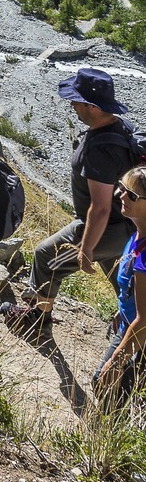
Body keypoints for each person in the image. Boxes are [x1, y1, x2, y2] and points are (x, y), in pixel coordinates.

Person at [5, 67, 135, 342]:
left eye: (76, 101)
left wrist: (86, 249)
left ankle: (37, 322)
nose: (72, 105)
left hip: (107, 228)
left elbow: (100, 207)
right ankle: (132, 332)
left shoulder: (100, 151)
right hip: (124, 225)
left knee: (46, 257)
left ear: (93, 107)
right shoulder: (120, 127)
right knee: (123, 282)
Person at [94, 167, 146, 406]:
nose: (120, 195)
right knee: (102, 385)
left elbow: (145, 320)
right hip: (129, 325)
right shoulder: (137, 235)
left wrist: (116, 363)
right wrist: (124, 307)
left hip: (140, 338)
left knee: (113, 396)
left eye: (131, 195)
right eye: (122, 187)